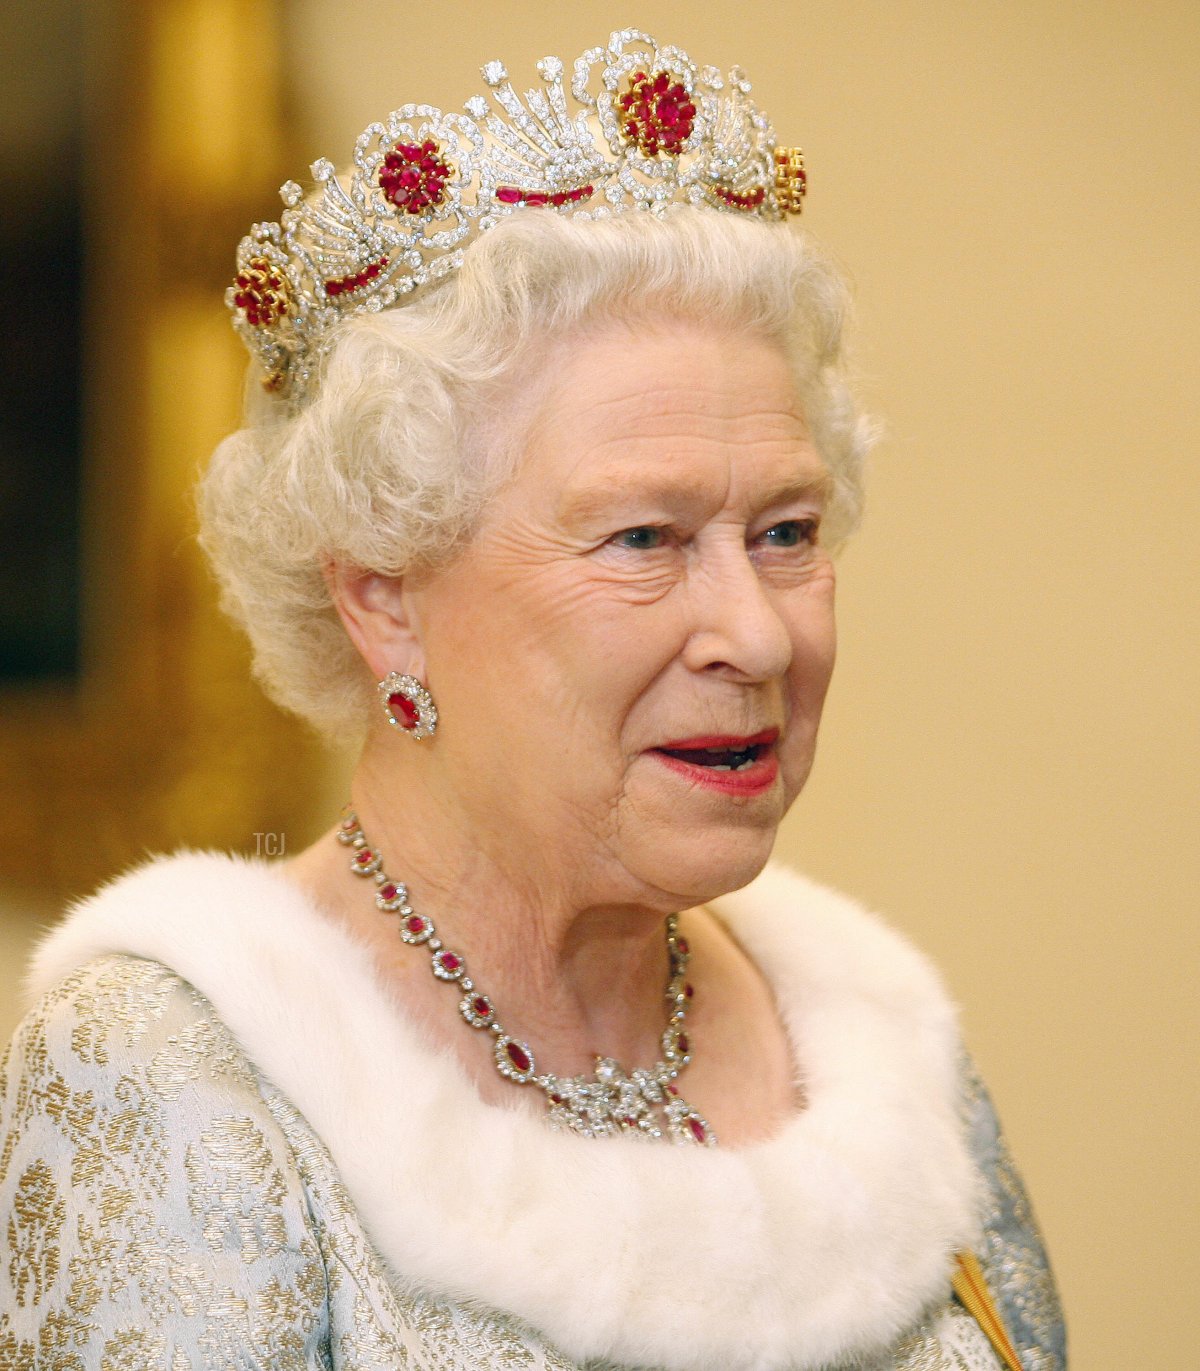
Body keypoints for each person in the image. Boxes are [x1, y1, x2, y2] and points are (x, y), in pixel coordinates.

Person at [0, 30, 1065, 1370]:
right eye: (644, 541)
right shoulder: (184, 1079)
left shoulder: (876, 1054)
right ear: (385, 595)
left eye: (788, 532)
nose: (755, 630)